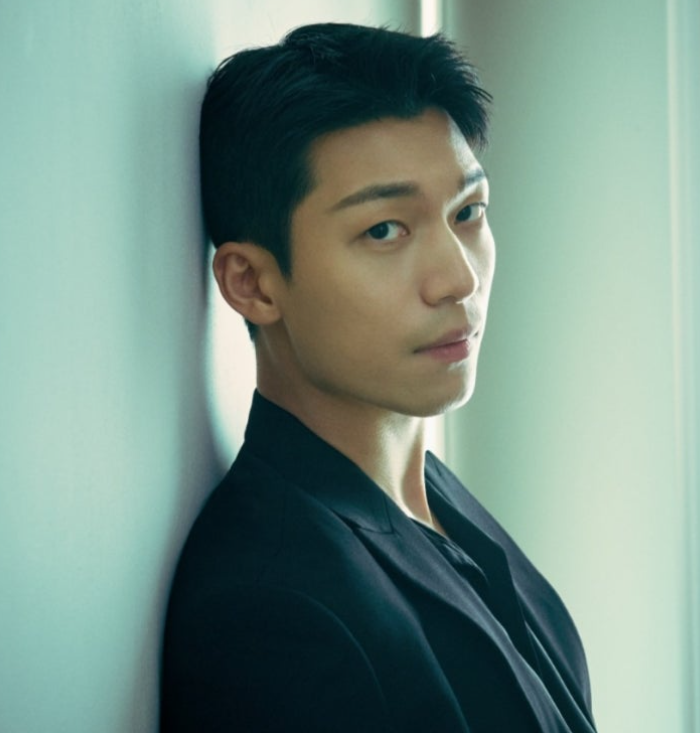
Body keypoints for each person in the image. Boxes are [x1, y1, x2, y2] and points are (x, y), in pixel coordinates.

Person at [160, 22, 597, 732]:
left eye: (468, 212)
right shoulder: (272, 609)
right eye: (384, 230)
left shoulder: (434, 501)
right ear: (252, 283)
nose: (458, 278)